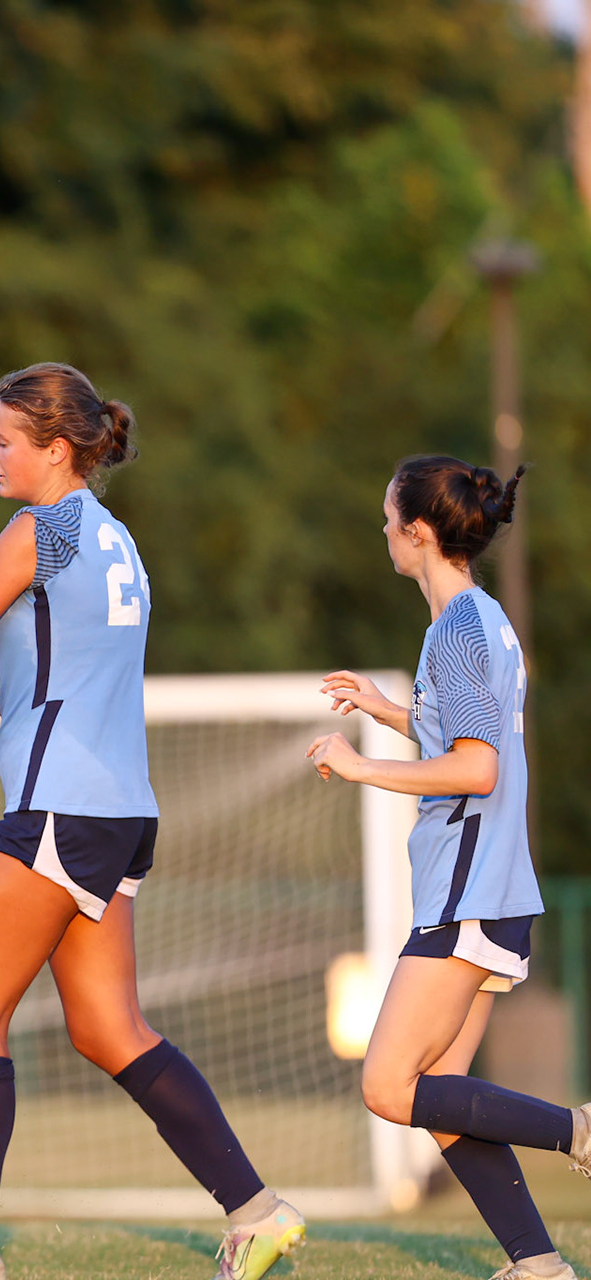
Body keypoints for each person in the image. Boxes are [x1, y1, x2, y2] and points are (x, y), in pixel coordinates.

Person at [0, 364, 304, 1280]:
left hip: (60, 805)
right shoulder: (113, 539)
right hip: (119, 813)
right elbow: (14, 686)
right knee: (108, 1029)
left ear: (55, 449)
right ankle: (259, 1209)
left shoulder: (35, 530)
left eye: (4, 439)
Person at [309, 457, 585, 1280]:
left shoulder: (457, 630)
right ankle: (537, 1263)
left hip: (469, 891)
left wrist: (361, 768)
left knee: (391, 1088)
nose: (384, 532)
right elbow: (459, 737)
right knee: (445, 1090)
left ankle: (577, 1131)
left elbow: (475, 769)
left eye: (388, 518)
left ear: (419, 532)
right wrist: (385, 708)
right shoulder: (482, 620)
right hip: (489, 888)